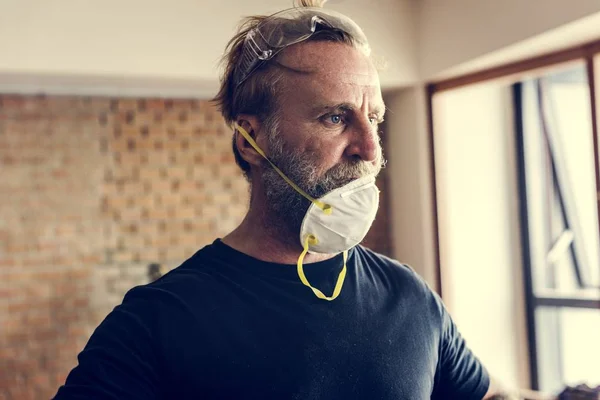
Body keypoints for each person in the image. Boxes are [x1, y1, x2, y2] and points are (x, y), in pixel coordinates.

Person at [54, 1, 510, 398]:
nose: (370, 149)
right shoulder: (159, 321)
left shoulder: (408, 295)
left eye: (374, 119)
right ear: (252, 142)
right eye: (335, 118)